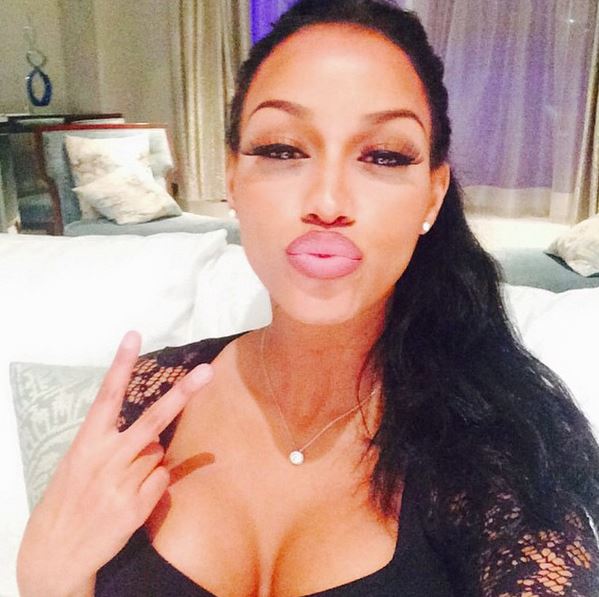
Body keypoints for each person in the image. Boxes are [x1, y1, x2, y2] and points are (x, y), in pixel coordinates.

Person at [17, 1, 599, 595]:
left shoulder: (501, 453)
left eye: (383, 155)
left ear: (432, 195)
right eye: (282, 150)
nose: (327, 201)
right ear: (233, 177)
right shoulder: (148, 399)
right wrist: (48, 578)